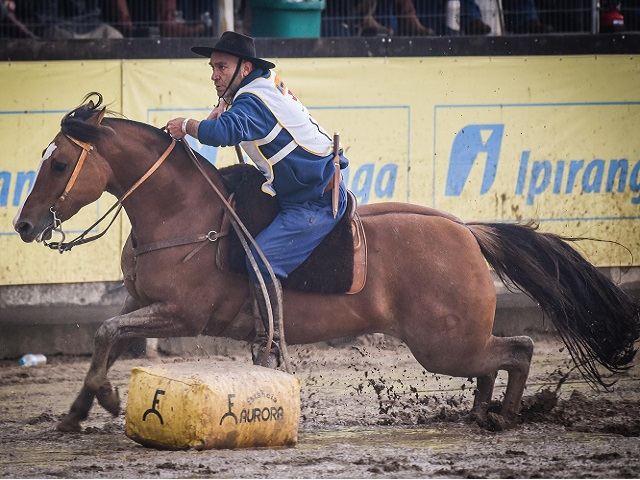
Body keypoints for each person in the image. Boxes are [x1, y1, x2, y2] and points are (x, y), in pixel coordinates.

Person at [166, 31, 349, 368]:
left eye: (222, 67)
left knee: (261, 261)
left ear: (245, 68)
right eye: (212, 67)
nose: (214, 75)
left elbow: (222, 133)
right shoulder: (260, 86)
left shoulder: (252, 99)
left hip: (313, 202)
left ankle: (271, 346)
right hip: (303, 189)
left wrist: (186, 125)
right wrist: (224, 105)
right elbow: (233, 117)